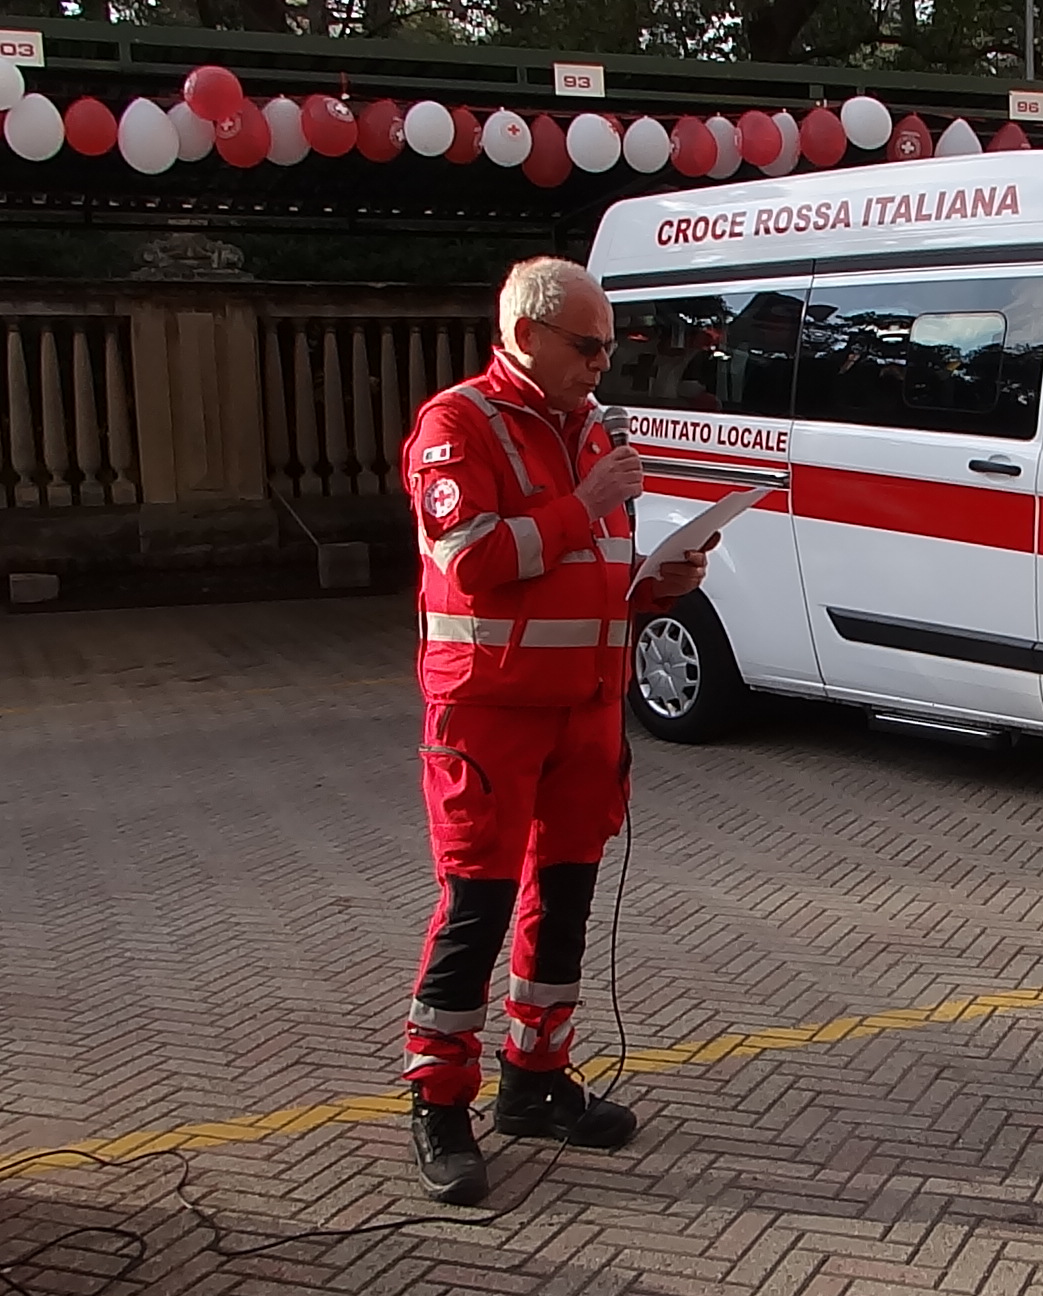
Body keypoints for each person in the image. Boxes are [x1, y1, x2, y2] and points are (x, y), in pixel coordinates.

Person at [397, 258, 707, 1205]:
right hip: (490, 713)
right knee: (477, 908)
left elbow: (591, 572)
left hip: (587, 708)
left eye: (611, 347)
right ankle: (439, 1102)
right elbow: (475, 560)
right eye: (589, 346)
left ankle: (534, 1079)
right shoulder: (457, 425)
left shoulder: (594, 431)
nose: (604, 364)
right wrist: (587, 504)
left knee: (564, 899)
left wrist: (660, 582)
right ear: (526, 334)